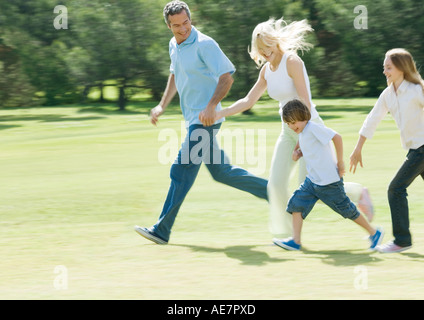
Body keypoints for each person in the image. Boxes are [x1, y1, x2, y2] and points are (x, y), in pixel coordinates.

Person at [211, 18, 374, 237]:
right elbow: (248, 101)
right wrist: (219, 113)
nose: (265, 52)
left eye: (267, 47)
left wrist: (303, 137)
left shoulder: (292, 62)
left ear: (274, 41)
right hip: (288, 131)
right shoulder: (266, 71)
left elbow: (305, 101)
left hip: (309, 129)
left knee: (314, 187)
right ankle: (285, 236)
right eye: (261, 49)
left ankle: (357, 192)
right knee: (276, 185)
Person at [134, 1, 268, 244]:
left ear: (190, 18)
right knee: (223, 173)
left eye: (186, 22)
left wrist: (210, 107)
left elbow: (226, 78)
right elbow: (175, 74)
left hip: (206, 120)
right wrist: (162, 105)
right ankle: (277, 194)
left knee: (180, 168)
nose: (183, 29)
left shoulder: (205, 44)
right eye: (176, 25)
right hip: (193, 120)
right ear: (168, 26)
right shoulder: (173, 45)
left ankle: (162, 230)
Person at [272, 99, 383, 251]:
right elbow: (306, 146)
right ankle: (295, 241)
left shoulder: (313, 128)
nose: (291, 126)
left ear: (303, 116)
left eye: (293, 122)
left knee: (347, 210)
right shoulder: (303, 132)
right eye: (288, 124)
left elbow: (337, 137)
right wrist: (297, 152)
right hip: (312, 182)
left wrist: (340, 162)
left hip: (329, 183)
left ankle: (374, 232)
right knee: (296, 204)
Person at [350, 48, 424, 253]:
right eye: (384, 68)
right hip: (414, 150)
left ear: (401, 68)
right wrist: (358, 148)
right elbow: (372, 120)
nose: (385, 71)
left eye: (389, 67)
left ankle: (402, 240)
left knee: (395, 189)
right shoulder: (388, 94)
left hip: (422, 149)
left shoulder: (417, 90)